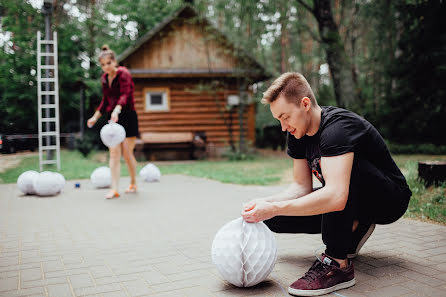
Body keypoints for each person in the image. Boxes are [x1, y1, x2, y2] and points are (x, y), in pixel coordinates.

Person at [241, 72, 411, 296]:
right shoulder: (297, 133)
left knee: (339, 185)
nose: (283, 127)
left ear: (305, 104)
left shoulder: (336, 129)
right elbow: (301, 187)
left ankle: (337, 265)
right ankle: (356, 223)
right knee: (274, 219)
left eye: (285, 117)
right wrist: (266, 204)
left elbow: (335, 196)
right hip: (350, 196)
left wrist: (274, 206)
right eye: (278, 120)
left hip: (389, 199)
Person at [87, 45, 139, 199]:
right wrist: (95, 117)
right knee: (114, 152)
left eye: (108, 63)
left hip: (127, 114)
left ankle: (133, 182)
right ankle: (114, 188)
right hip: (113, 117)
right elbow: (105, 100)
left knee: (127, 153)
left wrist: (117, 110)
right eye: (103, 65)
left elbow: (125, 94)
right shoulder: (104, 79)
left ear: (115, 61)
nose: (106, 67)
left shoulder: (124, 74)